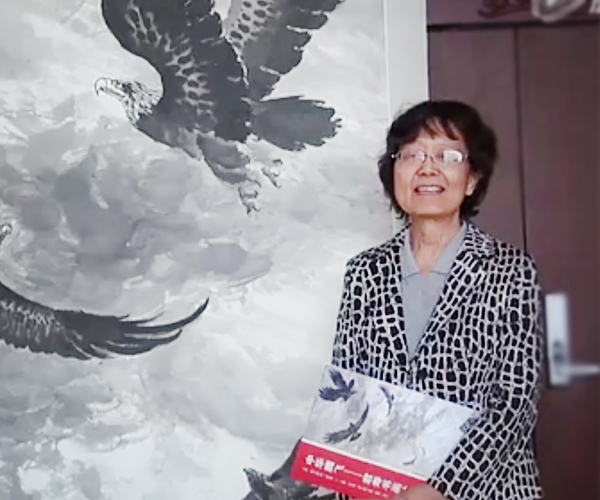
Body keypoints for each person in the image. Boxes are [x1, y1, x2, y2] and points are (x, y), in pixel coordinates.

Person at [331, 101, 544, 500]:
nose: (427, 168)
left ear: (472, 179)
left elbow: (514, 402)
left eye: (447, 156)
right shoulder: (363, 273)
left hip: (485, 491)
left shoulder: (511, 271)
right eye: (411, 155)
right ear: (394, 174)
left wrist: (441, 488)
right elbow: (348, 394)